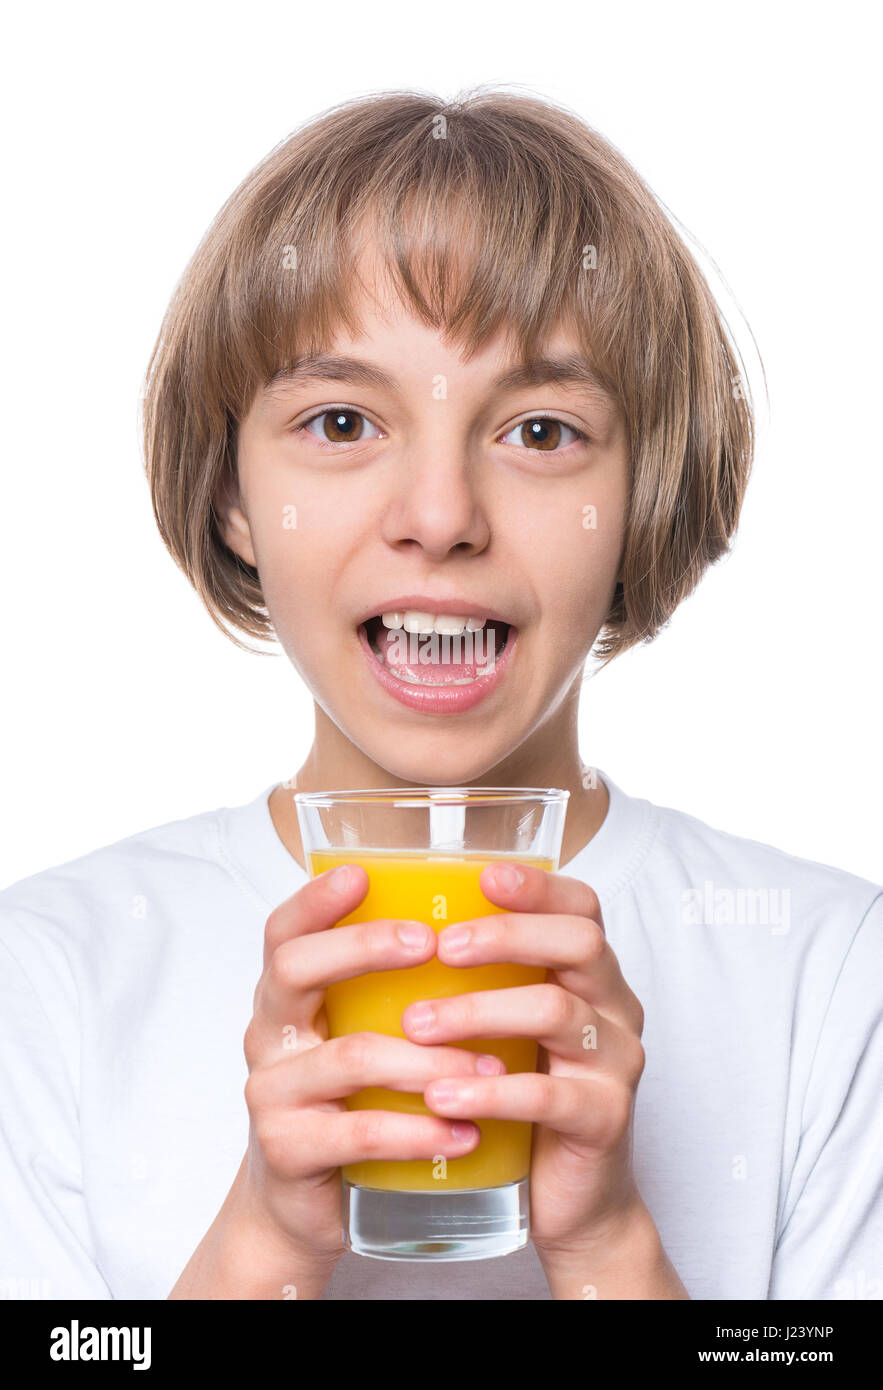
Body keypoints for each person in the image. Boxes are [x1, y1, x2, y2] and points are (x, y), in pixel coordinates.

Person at [1, 88, 880, 1302]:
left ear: (644, 498)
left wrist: (610, 1247)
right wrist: (262, 1244)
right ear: (232, 501)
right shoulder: (46, 977)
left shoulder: (831, 977)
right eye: (342, 419)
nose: (439, 517)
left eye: (539, 432)